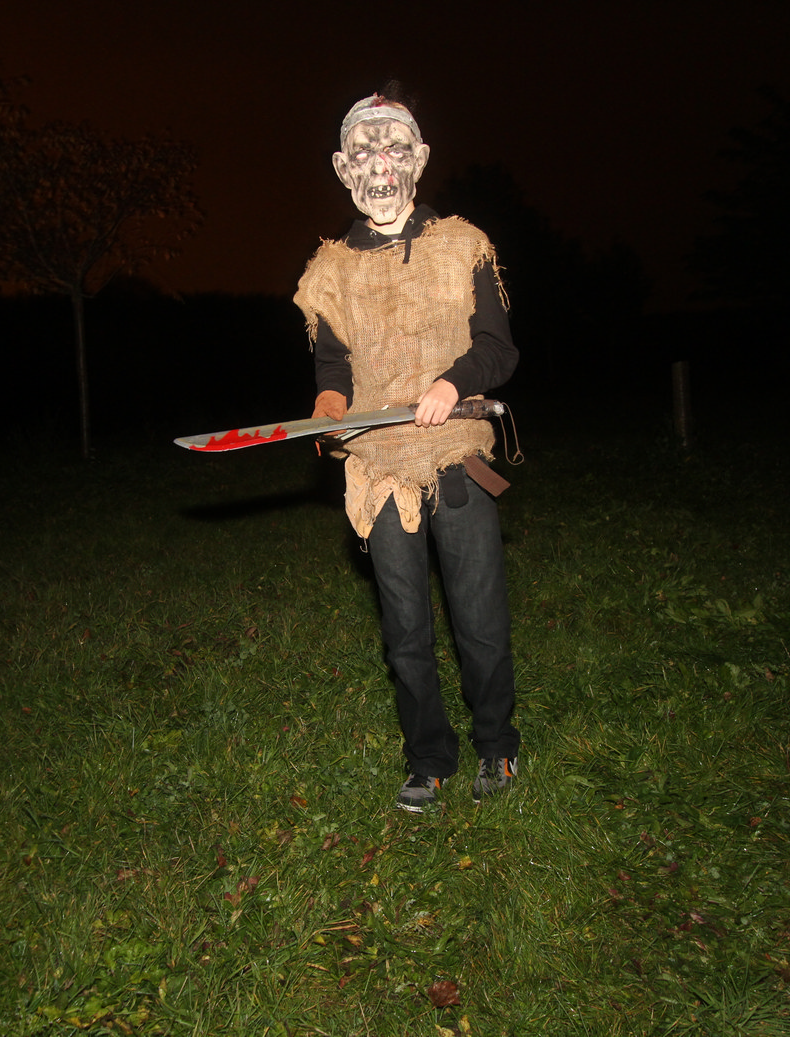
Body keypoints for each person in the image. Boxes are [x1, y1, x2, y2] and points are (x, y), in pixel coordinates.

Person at [293, 90, 520, 812]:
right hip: (379, 471)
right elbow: (333, 372)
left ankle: (497, 746)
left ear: (420, 160)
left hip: (456, 459)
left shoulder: (462, 245)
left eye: (394, 148)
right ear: (342, 168)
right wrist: (329, 413)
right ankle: (428, 758)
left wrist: (452, 383)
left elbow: (498, 349)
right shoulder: (329, 272)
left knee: (479, 618)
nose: (379, 165)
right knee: (404, 631)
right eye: (363, 152)